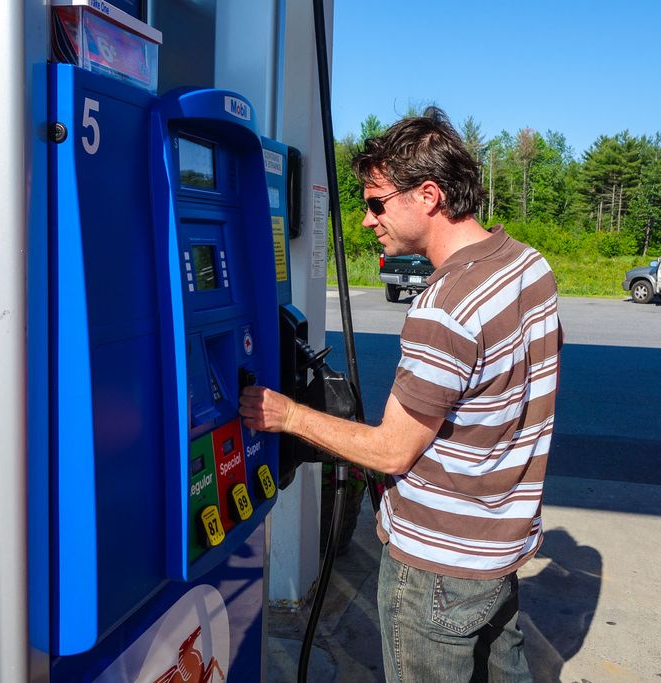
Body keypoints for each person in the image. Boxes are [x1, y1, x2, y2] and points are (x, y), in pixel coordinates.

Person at [239, 107, 561, 682]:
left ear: (429, 195)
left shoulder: (444, 307)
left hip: (437, 567)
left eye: (376, 202)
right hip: (500, 550)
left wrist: (287, 415)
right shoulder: (528, 266)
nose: (367, 220)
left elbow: (392, 452)